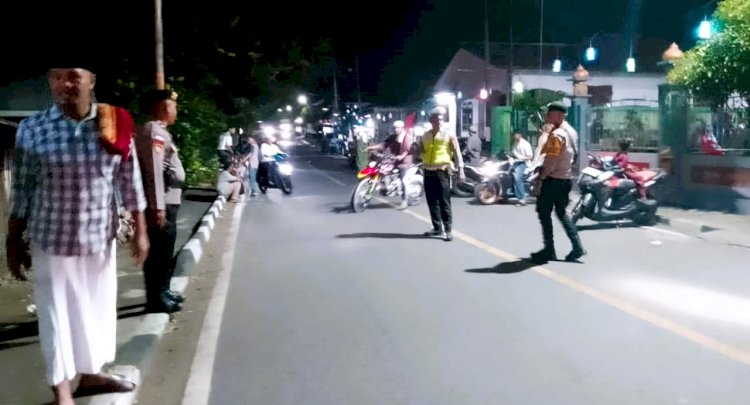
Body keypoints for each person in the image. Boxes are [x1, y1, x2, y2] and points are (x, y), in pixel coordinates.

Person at [6, 57, 148, 404]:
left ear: (91, 80)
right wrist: (12, 239)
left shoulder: (115, 122)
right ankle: (61, 389)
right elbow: (22, 188)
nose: (63, 85)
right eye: (56, 77)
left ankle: (91, 374)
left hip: (100, 236)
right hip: (50, 238)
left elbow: (130, 181)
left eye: (72, 76)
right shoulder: (33, 129)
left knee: (96, 309)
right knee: (56, 313)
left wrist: (141, 232)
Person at [135, 89, 185, 314]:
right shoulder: (153, 132)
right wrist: (158, 207)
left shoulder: (161, 132)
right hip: (161, 202)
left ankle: (163, 290)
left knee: (165, 251)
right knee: (158, 254)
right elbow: (154, 172)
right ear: (165, 108)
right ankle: (155, 298)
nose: (176, 111)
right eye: (174, 107)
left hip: (168, 201)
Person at [531, 102, 586, 264]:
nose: (547, 117)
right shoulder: (571, 132)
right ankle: (577, 247)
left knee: (544, 213)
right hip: (565, 178)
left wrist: (541, 178)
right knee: (561, 213)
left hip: (553, 179)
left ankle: (549, 250)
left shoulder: (557, 135)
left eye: (550, 114)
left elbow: (551, 161)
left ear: (558, 115)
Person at [420, 107, 465, 241]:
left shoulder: (448, 135)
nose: (439, 121)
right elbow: (421, 151)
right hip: (428, 171)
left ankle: (448, 230)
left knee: (444, 201)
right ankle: (437, 228)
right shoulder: (425, 136)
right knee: (431, 201)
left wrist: (461, 169)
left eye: (441, 119)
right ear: (431, 120)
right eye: (437, 119)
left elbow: (457, 153)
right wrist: (415, 148)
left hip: (442, 172)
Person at [365, 120, 414, 208]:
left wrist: (402, 156)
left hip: (404, 162)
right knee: (382, 168)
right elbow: (384, 144)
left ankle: (404, 201)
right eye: (395, 128)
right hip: (394, 160)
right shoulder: (393, 137)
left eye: (398, 128)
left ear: (402, 128)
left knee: (404, 181)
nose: (396, 129)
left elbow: (408, 149)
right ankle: (385, 186)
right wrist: (371, 148)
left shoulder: (407, 137)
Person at [511, 131, 533, 206]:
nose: (514, 136)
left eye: (516, 135)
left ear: (520, 135)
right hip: (516, 162)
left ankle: (522, 198)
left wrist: (521, 158)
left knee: (518, 179)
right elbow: (514, 153)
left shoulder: (525, 144)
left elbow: (530, 156)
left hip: (523, 163)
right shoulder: (515, 143)